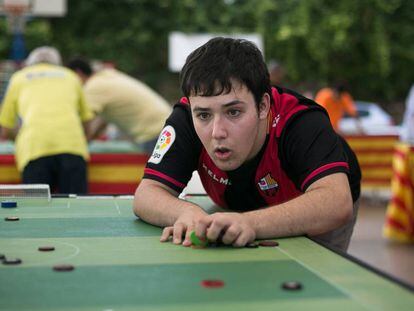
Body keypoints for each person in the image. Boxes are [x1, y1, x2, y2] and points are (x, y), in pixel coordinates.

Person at [133, 37, 361, 252]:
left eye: (233, 112)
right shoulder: (185, 119)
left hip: (312, 203)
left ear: (263, 106)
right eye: (203, 115)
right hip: (239, 203)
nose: (217, 132)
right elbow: (146, 195)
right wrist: (187, 212)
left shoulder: (300, 121)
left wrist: (249, 222)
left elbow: (336, 203)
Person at [0, 46, 93, 193]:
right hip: (73, 147)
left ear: (30, 63)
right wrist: (85, 140)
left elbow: (6, 127)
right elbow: (87, 120)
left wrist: (19, 140)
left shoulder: (19, 77)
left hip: (34, 148)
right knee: (76, 208)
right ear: (58, 63)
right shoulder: (70, 76)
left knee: (36, 210)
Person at [66, 58, 172, 154]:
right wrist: (90, 139)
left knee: (160, 174)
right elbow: (102, 121)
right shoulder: (106, 77)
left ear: (78, 73)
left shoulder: (93, 87)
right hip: (167, 124)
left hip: (154, 132)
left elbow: (83, 121)